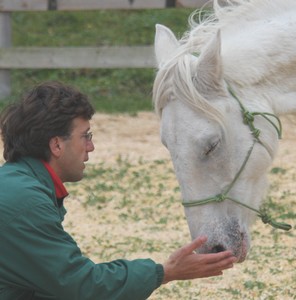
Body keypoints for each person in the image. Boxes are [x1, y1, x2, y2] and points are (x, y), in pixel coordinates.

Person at [0, 81, 237, 300]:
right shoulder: (24, 202)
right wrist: (165, 272)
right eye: (85, 136)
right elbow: (80, 286)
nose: (91, 147)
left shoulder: (17, 186)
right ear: (56, 144)